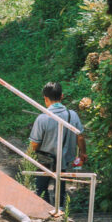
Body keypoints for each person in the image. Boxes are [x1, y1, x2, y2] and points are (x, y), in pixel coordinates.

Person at [28, 82, 86, 210]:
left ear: (45, 98)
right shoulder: (72, 115)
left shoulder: (42, 118)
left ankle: (45, 210)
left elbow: (35, 143)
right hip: (63, 160)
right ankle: (59, 209)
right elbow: (80, 137)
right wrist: (83, 153)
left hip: (45, 161)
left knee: (41, 188)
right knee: (60, 186)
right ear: (62, 96)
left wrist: (29, 156)